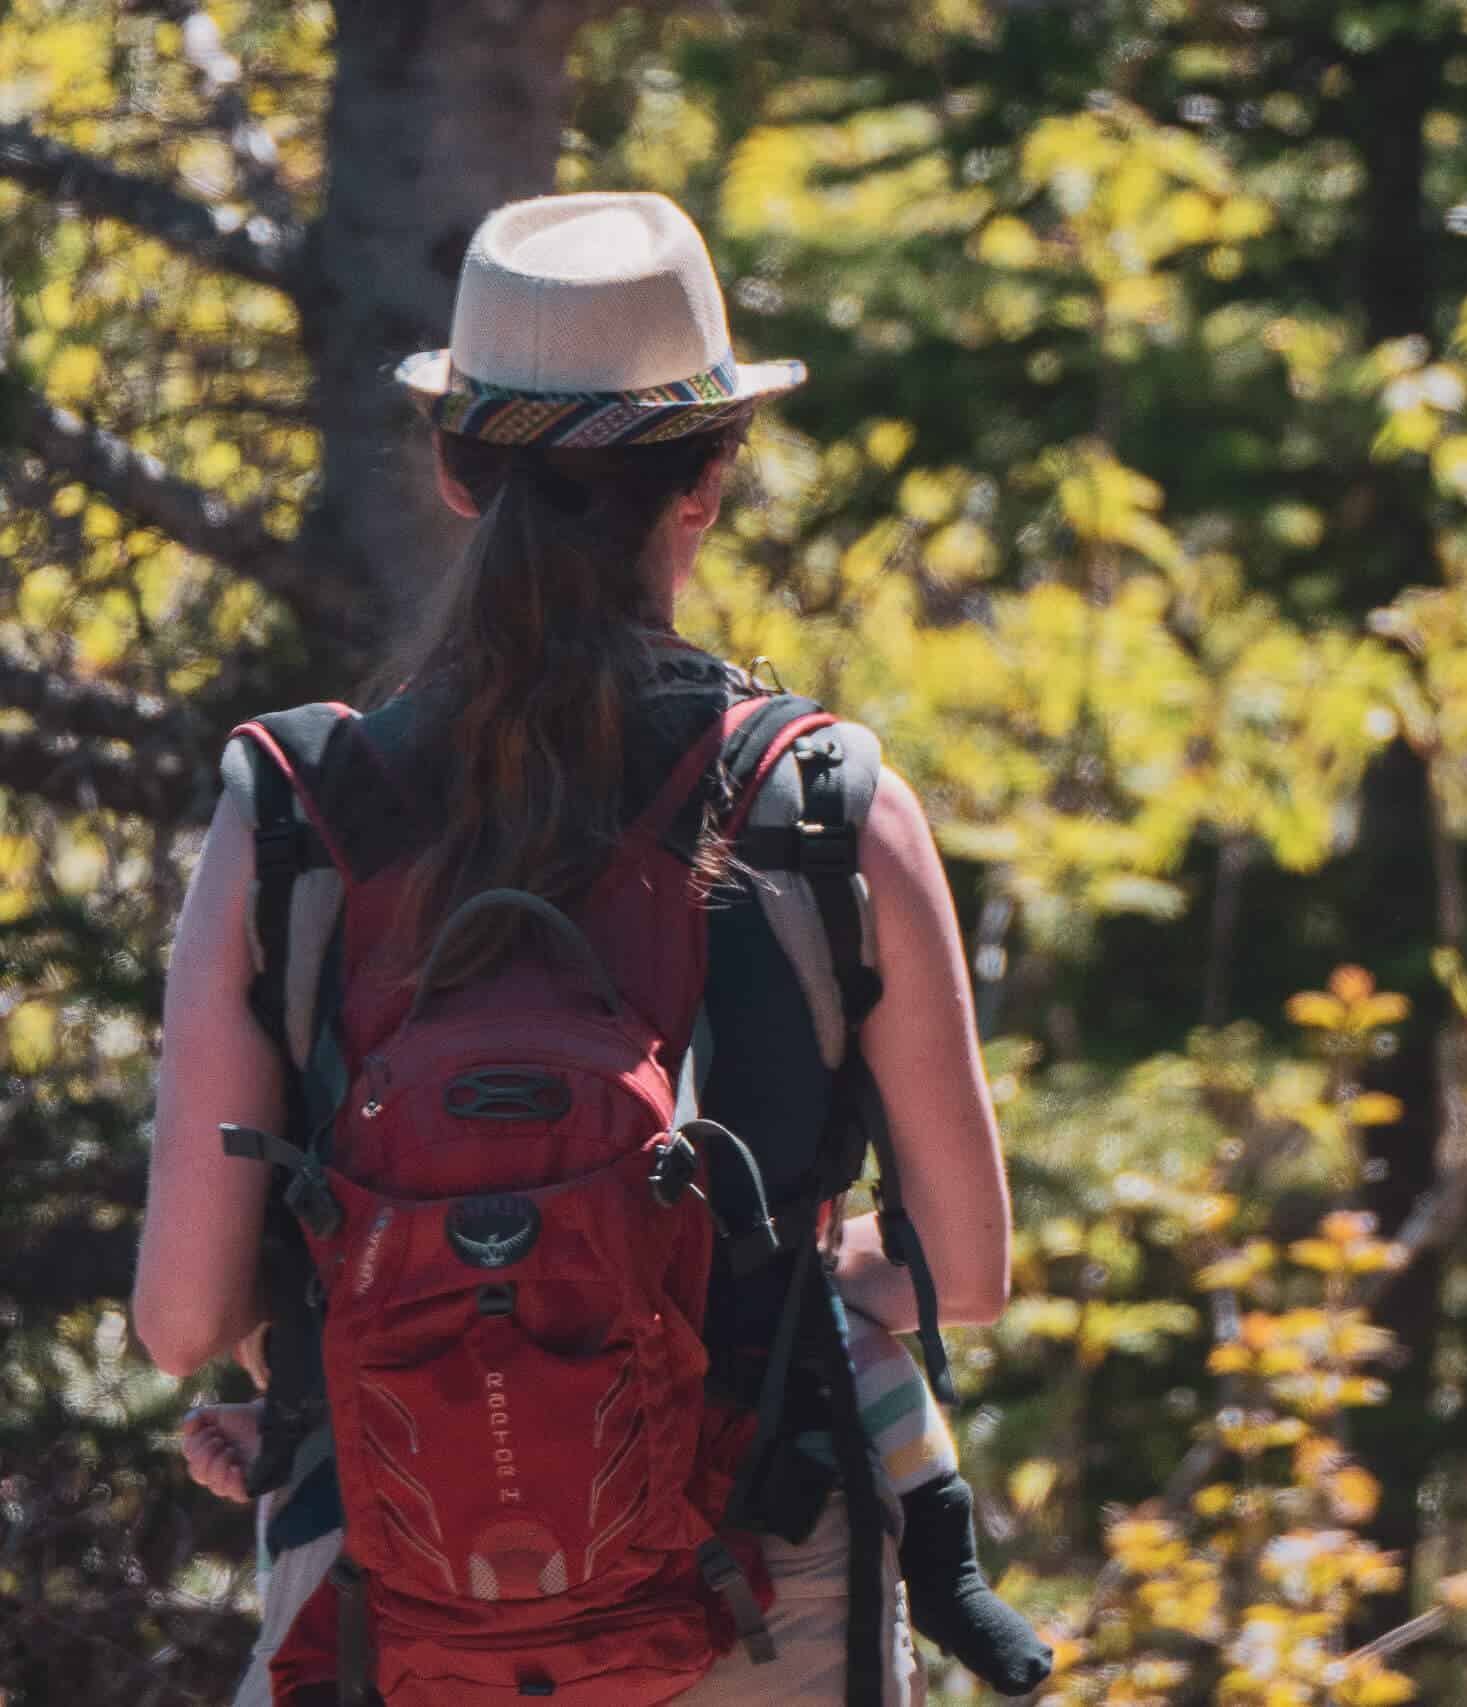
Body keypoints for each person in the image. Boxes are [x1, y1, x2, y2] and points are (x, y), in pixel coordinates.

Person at [136, 190, 1050, 1704]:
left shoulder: (292, 811)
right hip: (764, 1590)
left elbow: (183, 1315)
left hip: (390, 1599)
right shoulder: (824, 807)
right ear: (709, 481)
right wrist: (787, 1278)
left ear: (451, 472)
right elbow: (967, 1268)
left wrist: (387, 1305)